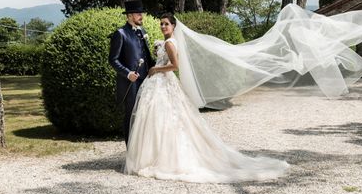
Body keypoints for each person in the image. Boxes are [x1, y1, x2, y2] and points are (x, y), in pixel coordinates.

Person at [124, 13, 290, 183]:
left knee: (167, 118)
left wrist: (155, 70)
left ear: (173, 26)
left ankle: (162, 158)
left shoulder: (169, 43)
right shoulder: (167, 42)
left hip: (163, 82)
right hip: (161, 84)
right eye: (161, 24)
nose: (163, 26)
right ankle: (156, 155)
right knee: (162, 119)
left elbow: (174, 66)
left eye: (166, 24)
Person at [109, 0, 155, 145]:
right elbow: (113, 60)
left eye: (142, 13)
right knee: (131, 115)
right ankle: (131, 153)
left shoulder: (143, 31)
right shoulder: (120, 34)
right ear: (129, 15)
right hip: (131, 83)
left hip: (146, 80)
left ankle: (143, 150)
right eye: (138, 13)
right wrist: (128, 73)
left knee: (145, 115)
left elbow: (146, 55)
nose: (141, 15)